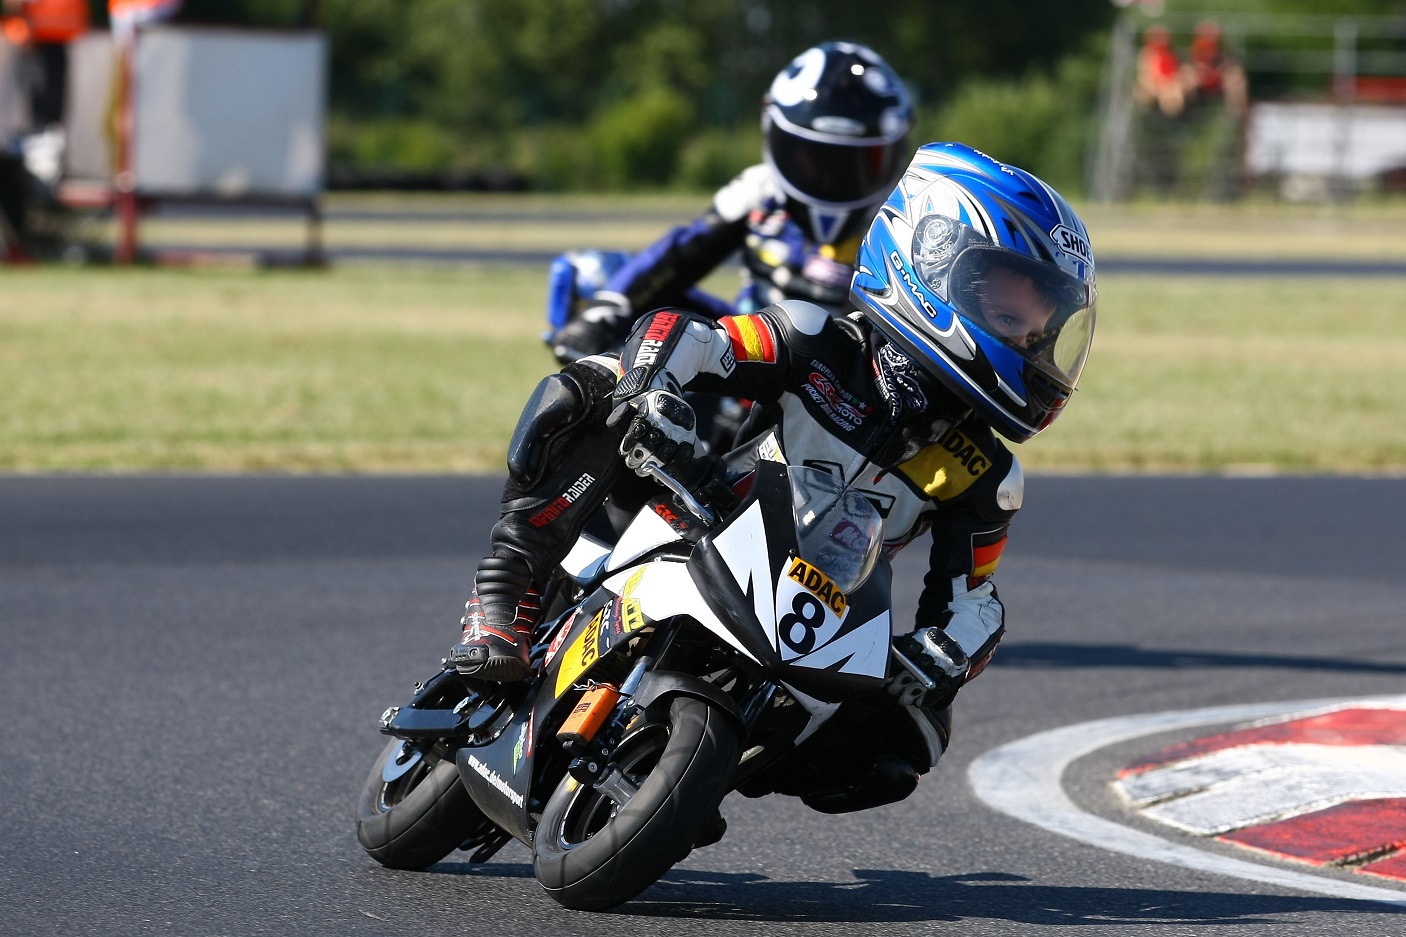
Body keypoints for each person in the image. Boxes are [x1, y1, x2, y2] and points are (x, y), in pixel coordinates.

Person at [449, 142, 1098, 811]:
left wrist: (946, 650)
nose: (1028, 347)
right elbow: (693, 338)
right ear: (931, 261)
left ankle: (702, 773)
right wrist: (653, 387)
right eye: (1009, 319)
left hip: (820, 611)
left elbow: (971, 598)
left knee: (910, 738)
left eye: (1038, 333)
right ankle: (505, 593)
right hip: (699, 512)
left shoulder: (988, 476)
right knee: (592, 388)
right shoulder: (817, 338)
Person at [548, 39, 913, 365]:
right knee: (590, 278)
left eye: (853, 161)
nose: (830, 175)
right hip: (745, 360)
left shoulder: (905, 215)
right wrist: (603, 313)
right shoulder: (760, 188)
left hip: (851, 385)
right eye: (814, 157)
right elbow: (682, 254)